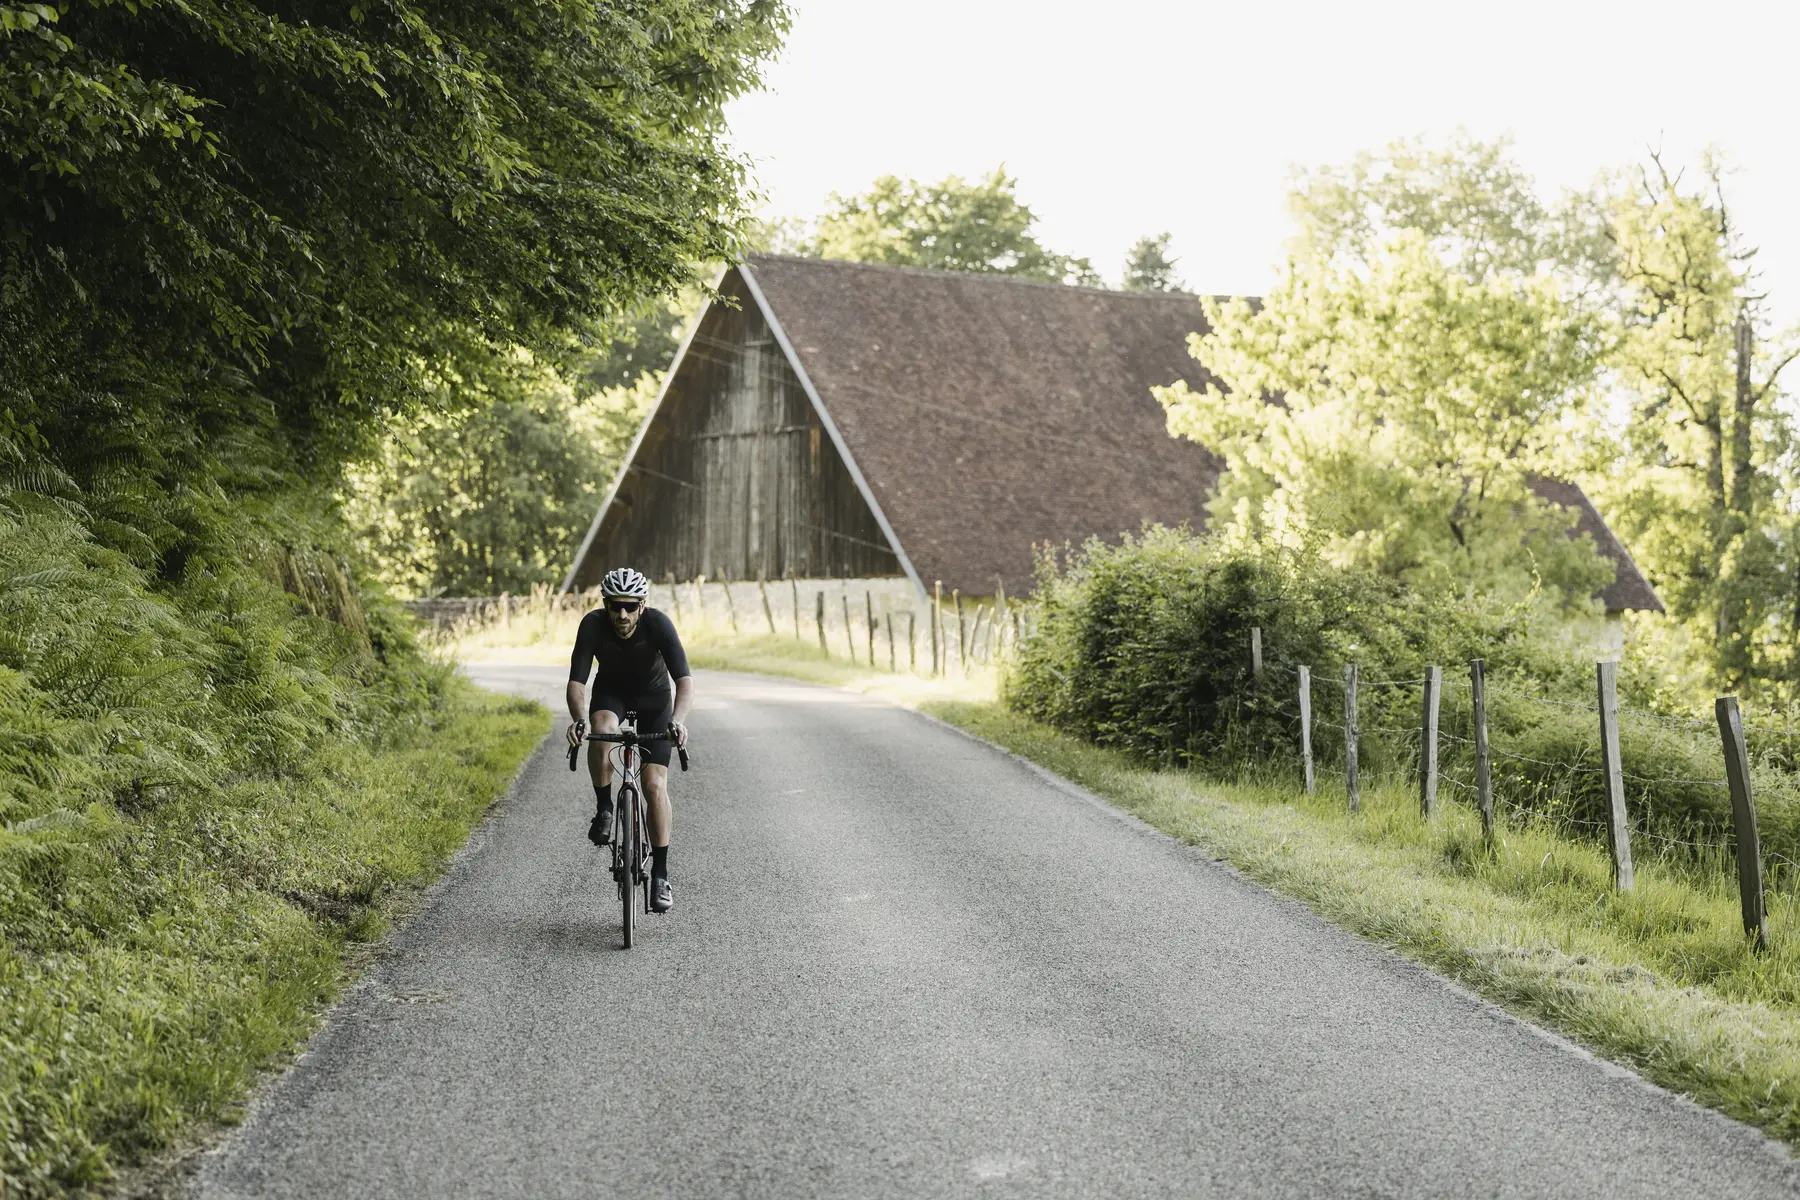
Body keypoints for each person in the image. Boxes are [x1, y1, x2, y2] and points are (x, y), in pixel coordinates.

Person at [566, 567, 692, 913]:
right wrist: (579, 721)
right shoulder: (592, 625)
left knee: (654, 786)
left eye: (631, 606)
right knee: (602, 727)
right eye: (615, 606)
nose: (623, 614)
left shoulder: (659, 624)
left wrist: (678, 722)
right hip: (612, 695)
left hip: (655, 700)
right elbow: (577, 682)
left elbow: (684, 680)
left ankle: (661, 875)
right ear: (605, 604)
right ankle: (605, 808)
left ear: (642, 605)